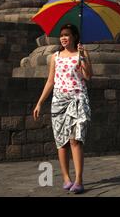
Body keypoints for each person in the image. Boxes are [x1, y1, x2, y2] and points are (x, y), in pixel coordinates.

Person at [32, 24, 93, 194]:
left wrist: (82, 58)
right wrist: (39, 102)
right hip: (59, 101)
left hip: (78, 99)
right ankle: (66, 178)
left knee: (76, 139)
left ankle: (79, 180)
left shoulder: (83, 54)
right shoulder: (55, 57)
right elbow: (50, 81)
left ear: (74, 36)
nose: (64, 38)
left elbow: (88, 76)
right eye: (62, 35)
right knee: (62, 142)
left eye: (67, 35)